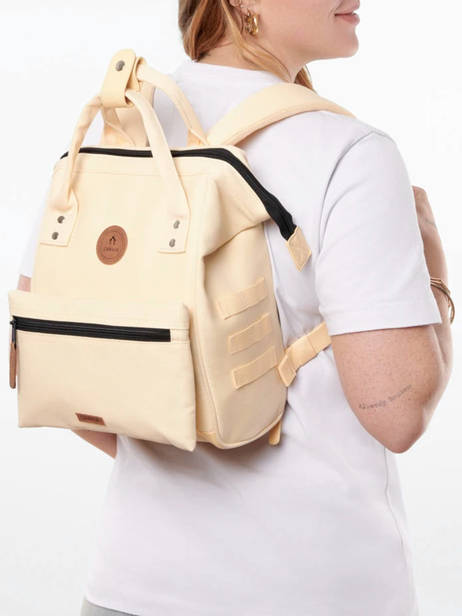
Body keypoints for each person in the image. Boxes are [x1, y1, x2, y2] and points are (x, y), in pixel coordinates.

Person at [17, 1, 454, 615]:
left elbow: (40, 355)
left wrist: (175, 429)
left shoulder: (116, 131)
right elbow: (398, 411)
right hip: (311, 591)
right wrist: (434, 273)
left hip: (129, 587)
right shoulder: (350, 153)